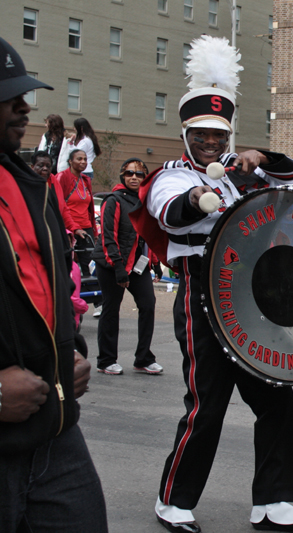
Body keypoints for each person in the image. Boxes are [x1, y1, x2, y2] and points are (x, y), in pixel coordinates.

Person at [130, 36, 293, 533]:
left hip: (254, 296)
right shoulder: (171, 175)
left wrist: (262, 157)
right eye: (201, 135)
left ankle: (274, 502)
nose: (211, 143)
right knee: (207, 403)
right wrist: (199, 197)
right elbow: (170, 213)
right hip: (203, 294)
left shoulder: (242, 172)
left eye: (219, 135)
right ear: (186, 134)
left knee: (275, 396)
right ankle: (174, 501)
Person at [0, 35, 107, 532]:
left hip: (54, 432)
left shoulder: (31, 188)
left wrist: (71, 351)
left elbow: (49, 290)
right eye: (8, 96)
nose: (24, 107)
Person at [92, 158, 163, 376]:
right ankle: (106, 360)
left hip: (138, 266)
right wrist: (118, 268)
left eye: (139, 174)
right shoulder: (113, 200)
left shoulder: (145, 202)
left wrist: (155, 262)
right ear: (123, 176)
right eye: (129, 173)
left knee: (148, 305)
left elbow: (147, 235)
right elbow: (108, 236)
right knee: (111, 309)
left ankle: (144, 358)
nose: (134, 177)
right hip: (112, 264)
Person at [55, 149, 96, 277]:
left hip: (86, 227)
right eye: (79, 159)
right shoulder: (62, 177)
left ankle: (89, 288)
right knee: (67, 263)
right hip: (68, 228)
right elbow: (58, 205)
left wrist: (94, 231)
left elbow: (90, 209)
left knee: (89, 264)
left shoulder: (86, 180)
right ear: (70, 161)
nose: (83, 162)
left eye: (85, 159)